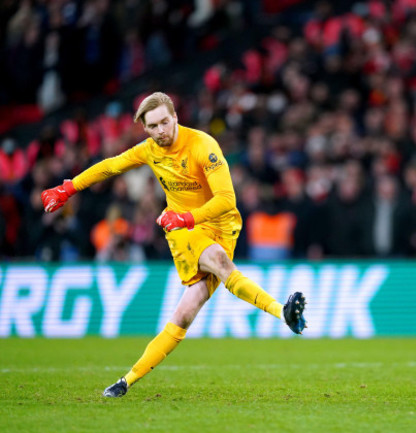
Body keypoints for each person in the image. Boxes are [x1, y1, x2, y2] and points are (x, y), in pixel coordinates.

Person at [40, 92, 307, 397]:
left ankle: (126, 381)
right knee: (222, 265)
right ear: (146, 129)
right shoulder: (150, 150)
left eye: (165, 122)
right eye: (153, 126)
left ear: (175, 117)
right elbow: (111, 166)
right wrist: (69, 187)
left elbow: (226, 199)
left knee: (185, 313)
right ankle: (282, 312)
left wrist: (189, 217)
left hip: (217, 225)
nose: (161, 130)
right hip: (183, 230)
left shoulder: (203, 146)